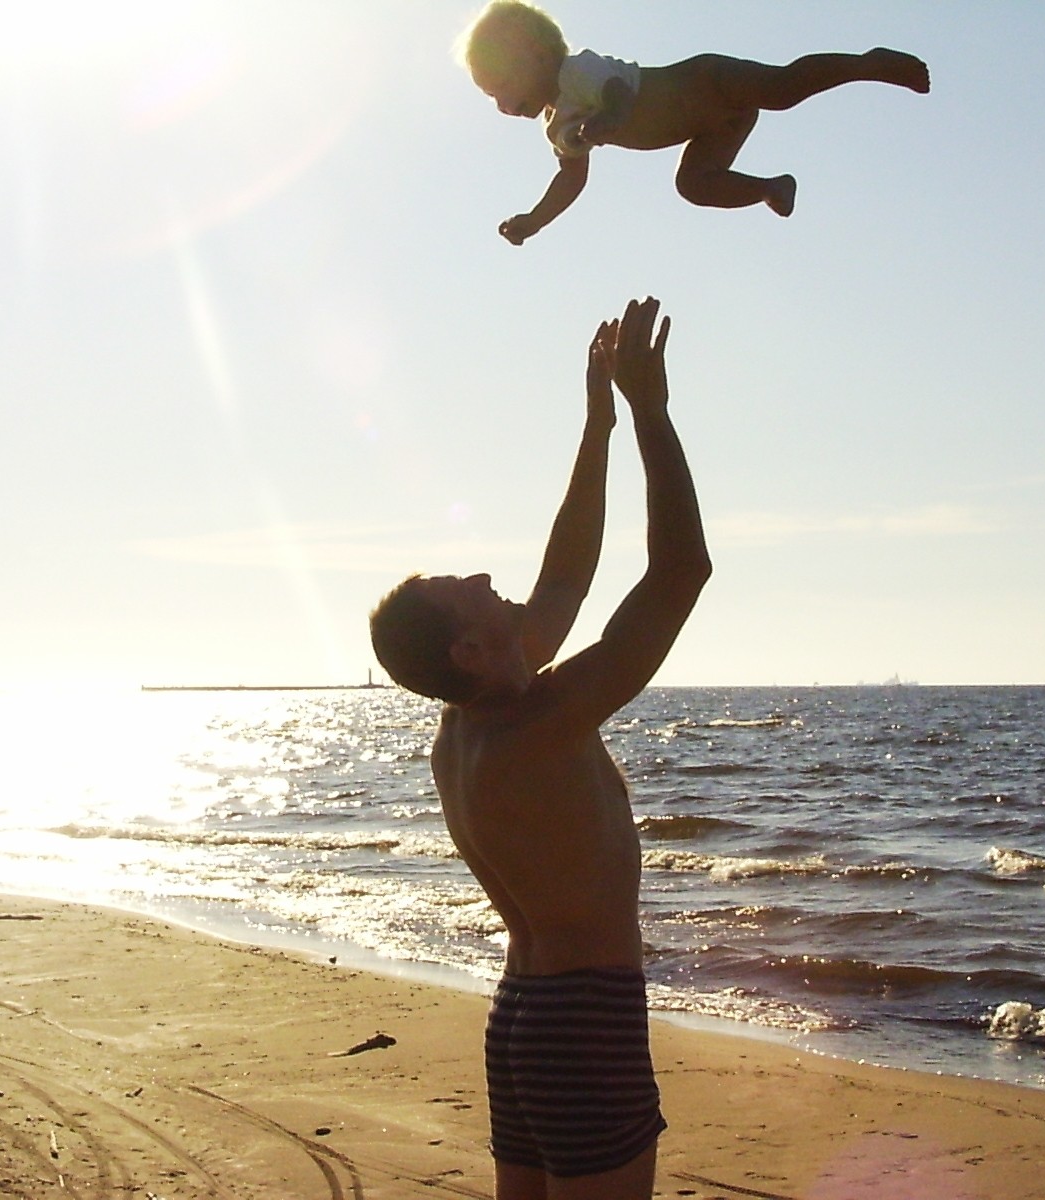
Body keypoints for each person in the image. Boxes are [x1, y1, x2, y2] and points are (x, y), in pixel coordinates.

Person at [369, 297, 709, 1199]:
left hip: (524, 1014)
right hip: (583, 1019)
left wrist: (595, 424)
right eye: (464, 588)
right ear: (470, 652)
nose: (484, 574)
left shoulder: (473, 723)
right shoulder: (535, 725)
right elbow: (681, 573)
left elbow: (568, 573)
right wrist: (651, 412)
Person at [458, 0, 930, 244]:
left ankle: (867, 64)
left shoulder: (576, 72)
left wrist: (612, 119)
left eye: (500, 86)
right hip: (710, 130)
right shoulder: (558, 128)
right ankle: (768, 187)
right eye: (491, 97)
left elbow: (619, 92)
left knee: (784, 89)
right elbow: (570, 179)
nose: (501, 105)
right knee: (694, 184)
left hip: (707, 82)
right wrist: (534, 221)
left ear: (536, 56)